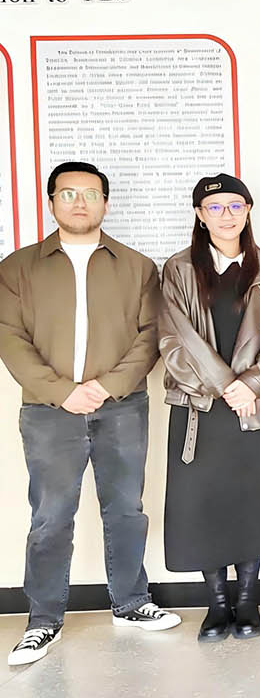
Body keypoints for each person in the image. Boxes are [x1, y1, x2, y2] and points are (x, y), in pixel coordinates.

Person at [0, 161, 180, 666]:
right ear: (51, 202)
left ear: (105, 202)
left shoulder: (138, 267)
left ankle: (131, 602)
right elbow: (9, 338)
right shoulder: (17, 268)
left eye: (90, 194)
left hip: (122, 405)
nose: (79, 202)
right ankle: (43, 619)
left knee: (126, 509)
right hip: (48, 410)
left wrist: (106, 387)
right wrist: (62, 392)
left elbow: (151, 337)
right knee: (51, 516)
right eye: (68, 193)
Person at [158, 174, 260, 643]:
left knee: (252, 503)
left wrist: (252, 385)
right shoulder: (179, 269)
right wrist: (227, 386)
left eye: (235, 206)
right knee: (205, 506)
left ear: (248, 211)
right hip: (200, 409)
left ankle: (246, 601)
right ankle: (217, 603)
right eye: (215, 207)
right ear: (200, 215)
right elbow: (175, 340)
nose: (226, 215)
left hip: (254, 408)